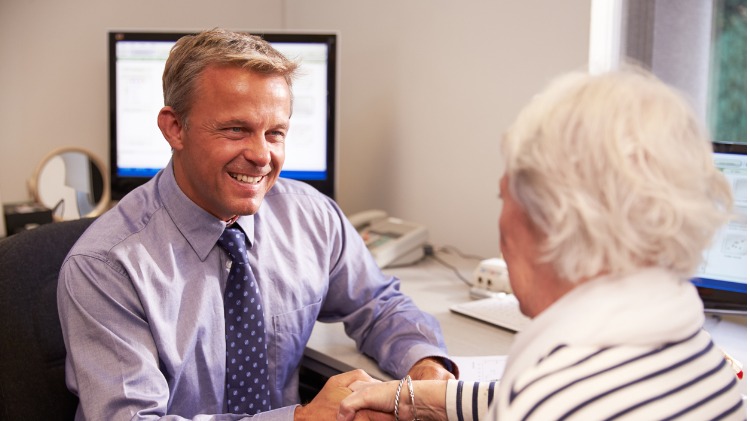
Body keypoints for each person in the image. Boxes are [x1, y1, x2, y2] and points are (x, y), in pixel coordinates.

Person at [57, 28, 456, 421]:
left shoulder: (309, 216)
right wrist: (300, 420)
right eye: (236, 130)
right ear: (175, 128)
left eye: (275, 133)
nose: (262, 156)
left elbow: (378, 304)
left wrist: (426, 366)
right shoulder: (106, 266)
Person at [337, 69, 747, 421]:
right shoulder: (700, 358)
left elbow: (545, 403)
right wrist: (407, 397)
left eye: (505, 197)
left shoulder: (554, 400)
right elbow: (522, 398)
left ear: (553, 220)